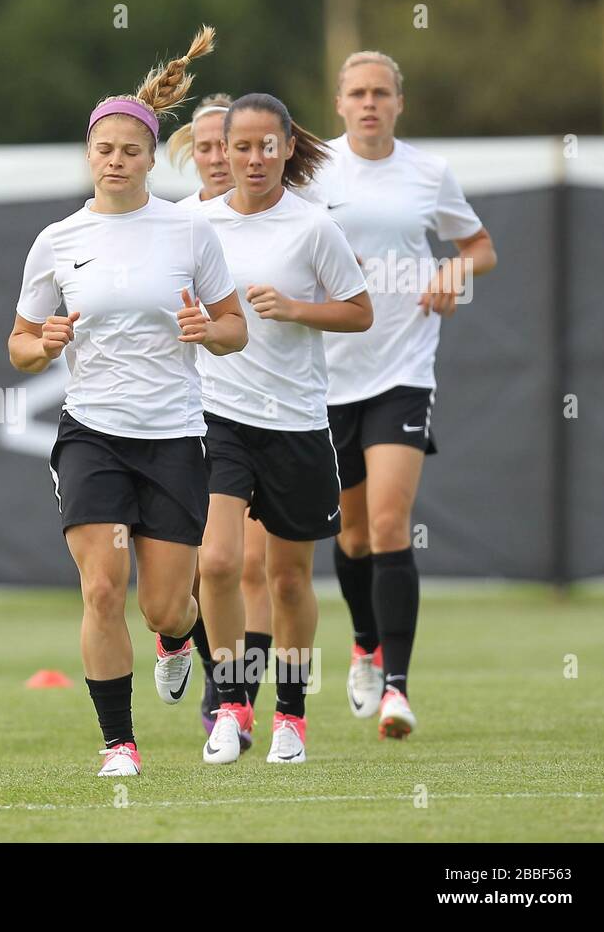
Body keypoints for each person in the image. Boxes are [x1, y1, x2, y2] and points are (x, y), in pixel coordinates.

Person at [8, 26, 247, 776]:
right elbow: (17, 345)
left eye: (131, 150)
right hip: (93, 436)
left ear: (151, 157)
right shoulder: (57, 241)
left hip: (173, 438)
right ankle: (119, 744)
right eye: (104, 149)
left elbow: (235, 329)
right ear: (89, 153)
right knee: (104, 588)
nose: (117, 160)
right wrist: (42, 344)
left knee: (166, 607)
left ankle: (178, 643)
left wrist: (209, 331)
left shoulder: (188, 229)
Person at [315, 51, 497, 739]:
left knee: (390, 524)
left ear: (399, 101)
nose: (369, 103)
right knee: (353, 533)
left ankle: (397, 688)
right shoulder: (313, 171)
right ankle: (364, 644)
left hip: (403, 371)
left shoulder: (428, 173)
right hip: (328, 377)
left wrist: (455, 271)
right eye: (357, 92)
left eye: (380, 93)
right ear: (339, 103)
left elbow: (481, 246)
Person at [195, 93, 372, 765]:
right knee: (217, 561)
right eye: (241, 146)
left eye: (267, 145)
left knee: (291, 581)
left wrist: (298, 308)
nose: (253, 158)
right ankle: (234, 704)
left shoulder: (312, 226)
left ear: (288, 147)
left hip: (296, 422)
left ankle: (290, 717)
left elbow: (358, 313)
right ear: (224, 150)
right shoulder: (194, 223)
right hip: (218, 418)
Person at [170, 96, 273, 742]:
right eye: (204, 147)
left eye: (225, 145)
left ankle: (239, 702)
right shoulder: (172, 225)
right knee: (207, 565)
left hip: (272, 411)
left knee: (256, 569)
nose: (216, 158)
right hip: (196, 415)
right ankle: (208, 662)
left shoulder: (284, 218)